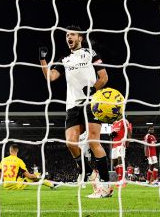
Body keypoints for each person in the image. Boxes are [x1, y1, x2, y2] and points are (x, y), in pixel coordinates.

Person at [39, 25, 112, 198]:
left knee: (94, 142)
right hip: (72, 105)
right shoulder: (63, 58)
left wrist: (92, 90)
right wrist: (43, 60)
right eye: (66, 35)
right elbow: (51, 77)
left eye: (72, 34)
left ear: (80, 38)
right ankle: (88, 171)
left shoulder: (91, 54)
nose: (68, 37)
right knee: (71, 143)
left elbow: (104, 78)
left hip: (91, 103)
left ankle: (107, 186)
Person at [110, 118, 133, 185]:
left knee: (120, 160)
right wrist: (112, 134)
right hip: (114, 145)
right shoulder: (113, 123)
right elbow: (113, 134)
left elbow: (129, 131)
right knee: (114, 163)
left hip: (121, 143)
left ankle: (121, 180)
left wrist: (128, 143)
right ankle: (123, 178)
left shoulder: (124, 121)